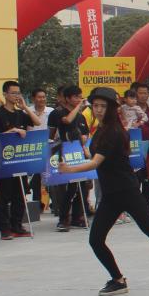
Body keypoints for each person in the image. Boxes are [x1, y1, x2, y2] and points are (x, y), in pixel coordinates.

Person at [58, 88, 149, 296]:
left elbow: (96, 163)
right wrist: (84, 149)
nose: (98, 110)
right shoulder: (101, 129)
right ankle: (118, 280)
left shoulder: (113, 131)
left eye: (103, 106)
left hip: (127, 191)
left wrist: (69, 170)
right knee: (96, 240)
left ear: (111, 108)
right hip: (111, 194)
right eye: (95, 106)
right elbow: (97, 155)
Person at [0, 80, 41, 238]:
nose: (16, 96)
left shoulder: (21, 114)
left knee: (20, 194)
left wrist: (25, 107)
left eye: (18, 93)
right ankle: (4, 228)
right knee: (4, 196)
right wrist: (13, 130)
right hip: (4, 162)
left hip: (20, 160)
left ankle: (17, 225)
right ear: (5, 94)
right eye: (13, 93)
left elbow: (37, 122)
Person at [48, 85, 91, 232]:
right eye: (76, 97)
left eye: (80, 97)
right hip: (65, 155)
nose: (79, 99)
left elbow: (86, 133)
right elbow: (66, 121)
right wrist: (79, 106)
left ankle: (77, 217)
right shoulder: (59, 113)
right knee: (68, 189)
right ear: (67, 98)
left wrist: (84, 138)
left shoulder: (81, 116)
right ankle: (63, 219)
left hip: (79, 154)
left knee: (82, 187)